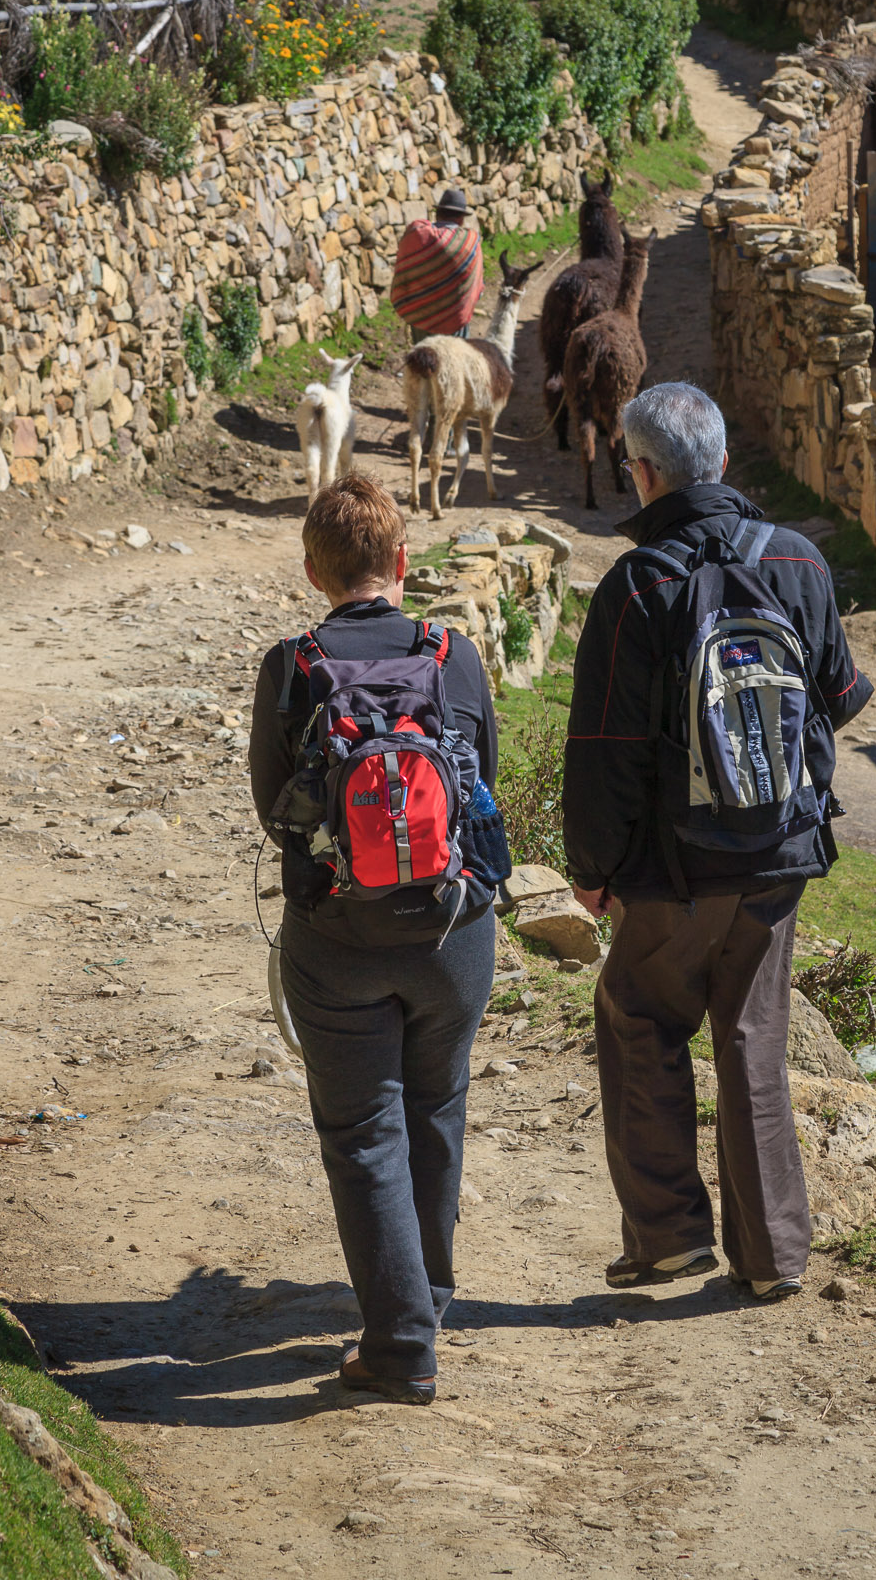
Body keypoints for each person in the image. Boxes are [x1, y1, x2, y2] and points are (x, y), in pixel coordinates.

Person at [561, 382, 872, 1304]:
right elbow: (841, 698)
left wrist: (593, 872)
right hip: (779, 854)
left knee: (637, 1014)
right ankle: (772, 1254)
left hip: (675, 866)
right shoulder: (803, 563)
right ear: (725, 463)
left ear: (642, 471)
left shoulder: (638, 585)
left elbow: (605, 751)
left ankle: (665, 1237)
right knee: (753, 1038)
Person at [248, 475, 501, 1405]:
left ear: (314, 571)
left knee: (362, 1133)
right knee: (437, 1108)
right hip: (453, 931)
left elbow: (276, 810)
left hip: (338, 937)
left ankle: (400, 1345)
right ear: (402, 562)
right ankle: (425, 1298)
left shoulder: (292, 665)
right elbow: (481, 783)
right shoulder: (454, 653)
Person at [391, 185, 484, 344]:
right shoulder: (469, 243)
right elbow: (476, 286)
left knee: (423, 362)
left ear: (438, 214)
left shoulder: (418, 235)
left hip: (421, 317)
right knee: (455, 362)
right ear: (461, 218)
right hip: (455, 320)